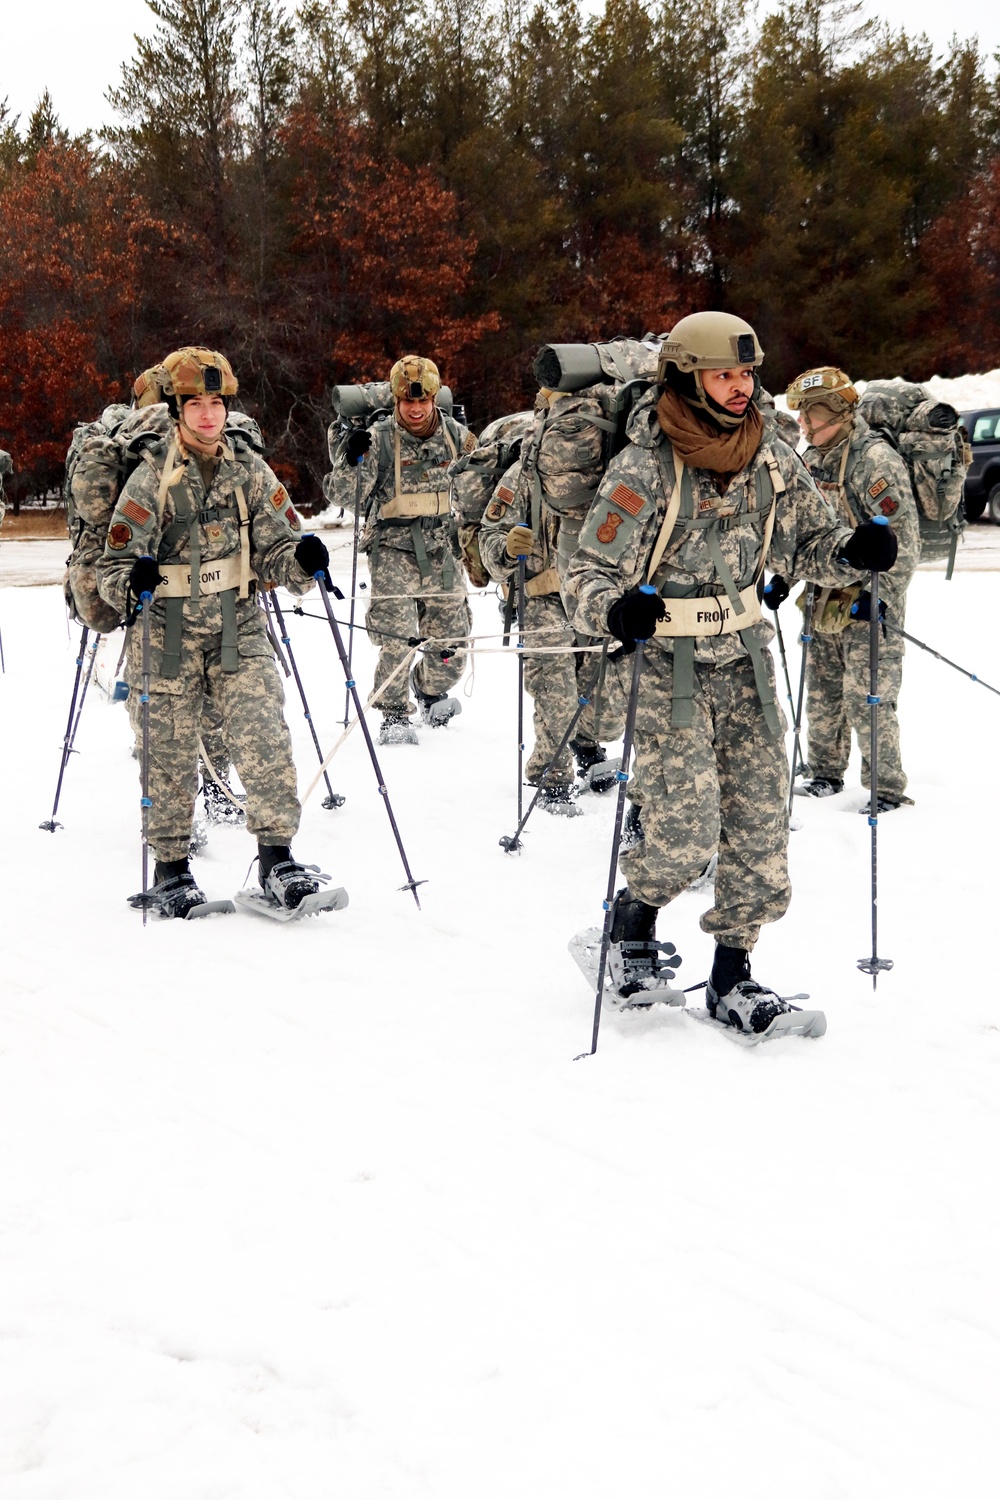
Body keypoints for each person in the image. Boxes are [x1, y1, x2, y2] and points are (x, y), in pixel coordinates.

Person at [563, 312, 898, 1034]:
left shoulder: (770, 452)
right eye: (724, 374)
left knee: (760, 825)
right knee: (684, 830)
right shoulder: (645, 466)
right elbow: (585, 571)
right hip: (668, 667)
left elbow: (809, 540)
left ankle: (731, 976)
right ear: (688, 376)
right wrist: (614, 610)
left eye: (747, 374)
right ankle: (630, 924)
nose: (741, 388)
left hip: (746, 660)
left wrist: (855, 550)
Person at [96, 346, 335, 918]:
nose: (207, 415)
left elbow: (275, 549)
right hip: (166, 634)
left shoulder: (248, 470)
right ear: (176, 409)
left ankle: (277, 861)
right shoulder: (151, 475)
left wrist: (301, 560)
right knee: (169, 754)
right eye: (195, 404)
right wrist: (135, 581)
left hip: (238, 624)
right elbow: (111, 569)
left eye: (216, 403)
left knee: (263, 734)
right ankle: (171, 870)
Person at [782, 367, 919, 810]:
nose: (801, 424)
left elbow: (905, 545)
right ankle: (825, 771)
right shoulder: (814, 457)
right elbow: (802, 529)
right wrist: (783, 579)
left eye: (808, 415)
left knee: (869, 697)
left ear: (835, 413)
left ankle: (887, 789)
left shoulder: (874, 462)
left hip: (869, 607)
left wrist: (877, 599)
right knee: (823, 691)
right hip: (824, 599)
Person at [327, 355, 474, 746]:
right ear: (396, 400)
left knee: (453, 646)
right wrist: (351, 458)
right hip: (393, 546)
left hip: (442, 548)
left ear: (433, 399)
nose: (416, 408)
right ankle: (393, 712)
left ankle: (427, 689)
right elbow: (345, 495)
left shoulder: (457, 436)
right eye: (408, 401)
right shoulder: (378, 439)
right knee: (398, 637)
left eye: (423, 400)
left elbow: (480, 485)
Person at [479, 457, 619, 812]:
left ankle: (585, 741)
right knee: (557, 694)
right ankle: (551, 775)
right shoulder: (528, 470)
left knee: (609, 704)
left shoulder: (616, 462)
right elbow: (490, 540)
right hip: (541, 598)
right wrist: (508, 549)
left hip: (597, 600)